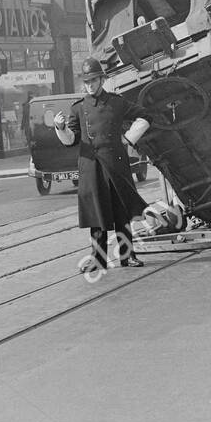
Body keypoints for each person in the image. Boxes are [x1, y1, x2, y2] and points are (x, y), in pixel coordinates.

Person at [53, 57, 151, 270]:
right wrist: (61, 128)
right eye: (86, 81)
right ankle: (98, 260)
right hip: (91, 167)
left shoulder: (117, 102)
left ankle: (128, 256)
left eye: (93, 80)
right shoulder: (78, 108)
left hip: (116, 165)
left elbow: (144, 116)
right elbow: (72, 141)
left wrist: (128, 139)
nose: (89, 85)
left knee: (121, 213)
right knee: (97, 215)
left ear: (101, 80)